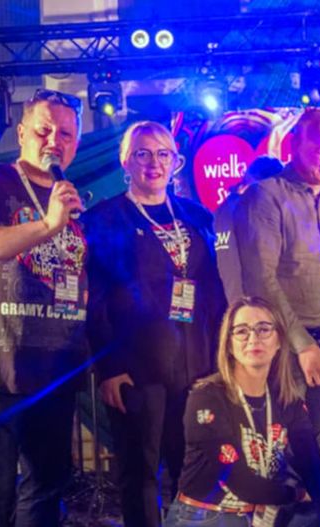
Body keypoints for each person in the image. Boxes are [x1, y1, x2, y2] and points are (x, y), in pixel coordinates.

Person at [0, 88, 87, 527]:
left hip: (52, 371)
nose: (54, 141)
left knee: (46, 491)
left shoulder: (71, 201)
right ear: (22, 132)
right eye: (44, 130)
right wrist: (47, 225)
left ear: (76, 142)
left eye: (65, 134)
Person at [84, 121, 227, 527]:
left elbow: (215, 292)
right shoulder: (104, 219)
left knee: (194, 469)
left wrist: (221, 362)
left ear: (176, 161)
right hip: (136, 370)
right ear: (125, 161)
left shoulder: (197, 216)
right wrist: (109, 368)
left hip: (197, 367)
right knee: (140, 473)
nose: (154, 163)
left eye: (164, 154)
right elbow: (95, 301)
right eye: (143, 153)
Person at [235, 109, 320, 470]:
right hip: (285, 348)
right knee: (283, 460)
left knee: (319, 457)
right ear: (295, 144)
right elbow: (260, 281)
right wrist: (303, 345)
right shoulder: (266, 196)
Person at [166, 296, 320, 527]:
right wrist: (298, 494)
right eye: (242, 331)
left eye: (264, 329)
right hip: (205, 516)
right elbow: (240, 482)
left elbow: (312, 464)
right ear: (229, 345)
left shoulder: (286, 399)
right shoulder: (206, 398)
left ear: (279, 340)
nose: (253, 339)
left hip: (259, 514)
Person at [215, 156, 284, 303]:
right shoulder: (232, 209)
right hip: (251, 305)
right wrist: (239, 306)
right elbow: (229, 264)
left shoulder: (276, 210)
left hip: (276, 302)